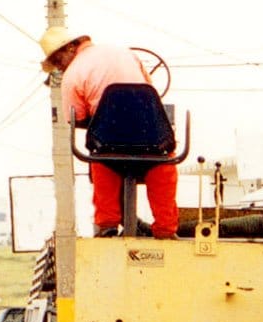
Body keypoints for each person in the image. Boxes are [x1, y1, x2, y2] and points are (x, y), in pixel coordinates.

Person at [39, 25, 179, 240]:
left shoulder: (73, 74)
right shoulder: (124, 52)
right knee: (163, 165)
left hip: (109, 143)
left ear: (70, 48)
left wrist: (111, 122)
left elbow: (76, 118)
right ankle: (166, 229)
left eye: (58, 61)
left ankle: (107, 226)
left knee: (101, 161)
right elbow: (149, 91)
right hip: (151, 131)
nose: (60, 67)